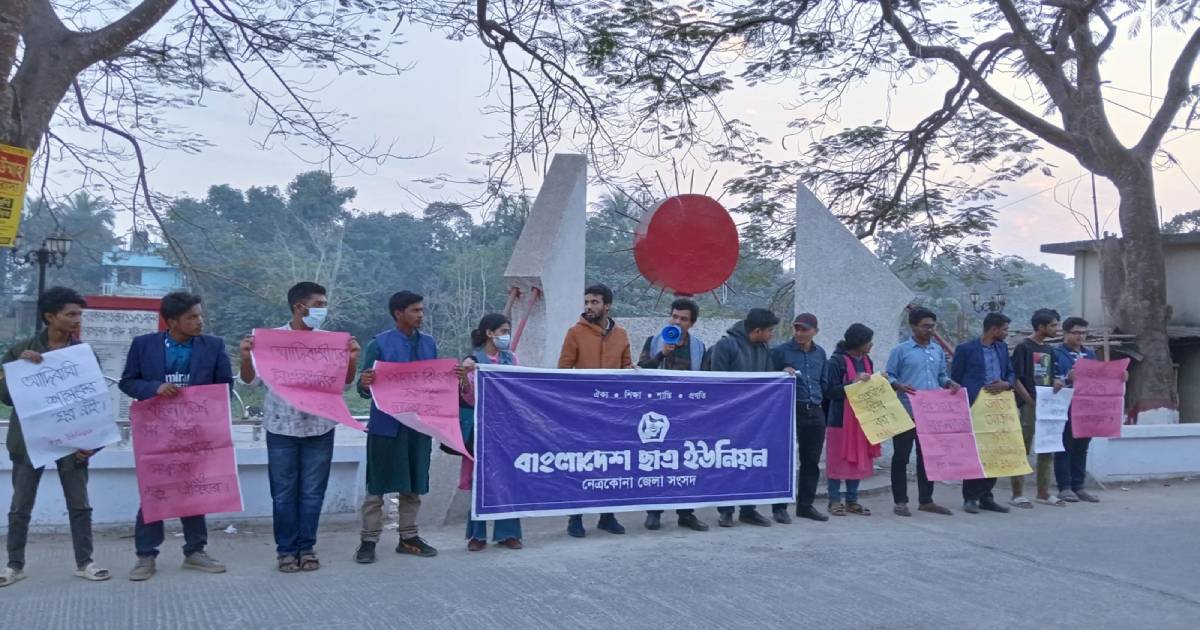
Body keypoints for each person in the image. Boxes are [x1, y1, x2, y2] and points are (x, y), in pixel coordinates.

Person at [238, 282, 360, 573]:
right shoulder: (271, 341)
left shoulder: (330, 341)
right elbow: (249, 381)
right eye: (319, 304)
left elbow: (344, 382)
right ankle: (285, 550)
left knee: (312, 493)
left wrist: (352, 359)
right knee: (282, 493)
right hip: (281, 427)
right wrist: (245, 357)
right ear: (299, 307)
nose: (323, 310)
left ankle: (307, 547)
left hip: (320, 427)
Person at [121, 291, 233, 581]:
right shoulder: (144, 345)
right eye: (192, 317)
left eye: (200, 315)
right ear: (172, 321)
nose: (199, 321)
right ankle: (146, 556)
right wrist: (154, 388)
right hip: (157, 433)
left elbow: (224, 389)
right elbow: (128, 382)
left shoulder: (214, 346)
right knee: (154, 491)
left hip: (197, 432)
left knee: (193, 490)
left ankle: (195, 552)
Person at [1, 288, 109, 587]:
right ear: (50, 317)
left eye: (79, 314)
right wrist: (20, 369)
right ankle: (14, 565)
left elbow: (94, 401)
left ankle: (85, 562)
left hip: (73, 442)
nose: (77, 320)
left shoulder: (84, 355)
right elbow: (6, 398)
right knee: (20, 507)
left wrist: (93, 443)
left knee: (80, 505)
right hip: (29, 443)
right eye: (70, 314)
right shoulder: (20, 350)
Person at [354, 291, 447, 563]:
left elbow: (435, 384)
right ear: (398, 313)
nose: (420, 315)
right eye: (415, 310)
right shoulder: (378, 345)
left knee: (413, 484)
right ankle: (368, 541)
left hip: (418, 425)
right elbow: (363, 390)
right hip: (386, 426)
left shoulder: (429, 344)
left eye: (421, 310)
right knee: (377, 486)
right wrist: (364, 383)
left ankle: (408, 537)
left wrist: (452, 378)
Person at [557, 283, 633, 538]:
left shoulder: (621, 334)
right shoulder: (574, 333)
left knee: (612, 463)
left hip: (613, 412)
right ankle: (575, 517)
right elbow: (564, 371)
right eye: (587, 302)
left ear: (607, 305)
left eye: (594, 302)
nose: (589, 307)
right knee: (581, 463)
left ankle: (607, 516)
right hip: (582, 411)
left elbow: (626, 369)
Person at [637, 298, 709, 532]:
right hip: (657, 412)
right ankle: (654, 512)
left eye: (683, 319)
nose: (677, 322)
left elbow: (705, 379)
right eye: (674, 317)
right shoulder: (654, 341)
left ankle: (686, 513)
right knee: (657, 462)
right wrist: (660, 354)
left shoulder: (698, 346)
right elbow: (640, 371)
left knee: (687, 463)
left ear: (692, 324)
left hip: (687, 413)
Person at [708, 307, 780, 528]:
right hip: (729, 418)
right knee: (728, 464)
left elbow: (768, 381)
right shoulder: (726, 345)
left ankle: (749, 510)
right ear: (757, 330)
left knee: (752, 463)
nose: (771, 335)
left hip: (755, 419)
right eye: (769, 330)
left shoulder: (764, 348)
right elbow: (717, 383)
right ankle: (726, 510)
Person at [884, 307, 959, 517]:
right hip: (906, 410)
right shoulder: (901, 350)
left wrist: (949, 383)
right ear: (913, 326)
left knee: (928, 456)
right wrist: (897, 384)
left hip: (931, 413)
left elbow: (942, 376)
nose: (930, 330)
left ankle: (926, 500)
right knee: (901, 456)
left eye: (932, 326)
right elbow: (888, 375)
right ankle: (900, 501)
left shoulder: (936, 351)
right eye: (926, 326)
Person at [459, 314, 524, 550]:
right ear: (490, 333)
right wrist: (465, 380)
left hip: (506, 429)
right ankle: (477, 535)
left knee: (508, 479)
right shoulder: (473, 361)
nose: (506, 336)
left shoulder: (511, 358)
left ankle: (508, 533)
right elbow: (468, 397)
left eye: (508, 331)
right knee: (481, 481)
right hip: (481, 428)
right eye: (503, 331)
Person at [951, 312, 1016, 515]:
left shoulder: (1003, 348)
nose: (1007, 333)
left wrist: (1007, 384)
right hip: (975, 405)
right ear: (994, 329)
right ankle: (970, 497)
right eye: (1004, 329)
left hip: (999, 406)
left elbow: (1011, 372)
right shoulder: (965, 349)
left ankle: (987, 496)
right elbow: (956, 378)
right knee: (975, 452)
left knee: (996, 451)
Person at [769, 313, 830, 524]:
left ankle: (805, 506)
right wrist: (781, 372)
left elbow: (824, 383)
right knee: (784, 459)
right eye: (797, 328)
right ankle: (779, 507)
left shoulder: (820, 353)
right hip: (789, 410)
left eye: (804, 329)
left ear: (815, 331)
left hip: (815, 411)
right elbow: (768, 379)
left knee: (811, 461)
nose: (799, 333)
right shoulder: (780, 352)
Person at [1053, 317, 1122, 503]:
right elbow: (1051, 381)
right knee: (1065, 446)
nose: (1080, 336)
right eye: (1076, 332)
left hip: (1088, 407)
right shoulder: (1056, 353)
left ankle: (1079, 486)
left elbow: (1100, 379)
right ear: (1065, 333)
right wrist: (1067, 379)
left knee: (1082, 447)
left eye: (1083, 333)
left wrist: (1118, 376)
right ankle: (1065, 487)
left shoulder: (1090, 354)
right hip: (1065, 406)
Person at [822, 323, 880, 518]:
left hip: (861, 418)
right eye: (868, 341)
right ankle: (834, 500)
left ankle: (852, 500)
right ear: (858, 342)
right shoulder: (836, 362)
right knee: (837, 460)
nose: (871, 345)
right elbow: (830, 391)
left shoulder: (867, 361)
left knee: (857, 460)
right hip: (840, 419)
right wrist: (852, 383)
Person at [1011, 308, 1066, 509]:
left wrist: (1057, 383)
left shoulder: (1050, 350)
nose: (1057, 329)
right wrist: (1029, 400)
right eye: (1053, 325)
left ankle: (1043, 493)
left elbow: (1053, 376)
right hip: (1029, 405)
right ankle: (1017, 494)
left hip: (1047, 405)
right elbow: (1014, 378)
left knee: (1047, 447)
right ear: (1040, 326)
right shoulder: (1024, 347)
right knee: (1022, 447)